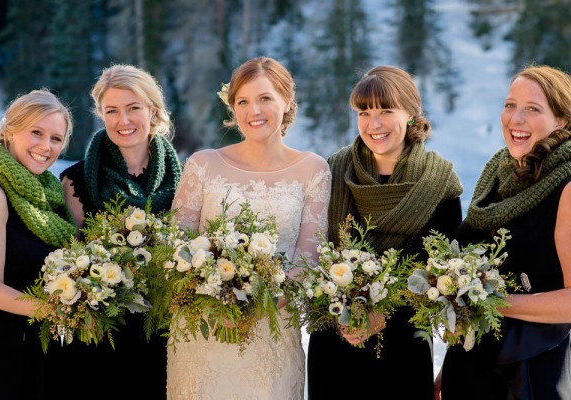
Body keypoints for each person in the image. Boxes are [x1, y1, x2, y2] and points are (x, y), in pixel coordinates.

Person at [167, 56, 331, 399]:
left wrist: (258, 306)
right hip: (205, 331)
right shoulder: (203, 164)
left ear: (287, 101)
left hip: (271, 332)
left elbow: (308, 260)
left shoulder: (313, 170)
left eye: (265, 98)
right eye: (243, 101)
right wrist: (214, 302)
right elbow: (175, 247)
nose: (253, 110)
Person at [306, 65, 464, 399]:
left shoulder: (439, 184)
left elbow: (437, 275)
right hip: (335, 340)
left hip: (402, 349)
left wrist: (381, 312)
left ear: (410, 115)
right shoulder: (332, 172)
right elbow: (313, 253)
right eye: (364, 112)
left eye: (386, 111)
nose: (373, 124)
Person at [438, 65, 571, 399]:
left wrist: (493, 302)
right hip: (472, 363)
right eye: (510, 105)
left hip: (530, 368)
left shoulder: (567, 186)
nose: (516, 119)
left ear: (563, 121)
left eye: (533, 109)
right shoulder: (497, 176)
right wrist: (448, 368)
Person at [55, 64, 182, 399]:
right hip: (101, 337)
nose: (123, 121)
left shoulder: (185, 178)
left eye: (133, 108)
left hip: (167, 336)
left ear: (153, 111)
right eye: (112, 110)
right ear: (100, 114)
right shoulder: (76, 180)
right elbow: (66, 261)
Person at [0, 89, 76, 399]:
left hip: (41, 342)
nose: (46, 146)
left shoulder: (50, 198)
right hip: (1, 345)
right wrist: (59, 312)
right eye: (36, 132)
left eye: (56, 139)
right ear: (10, 131)